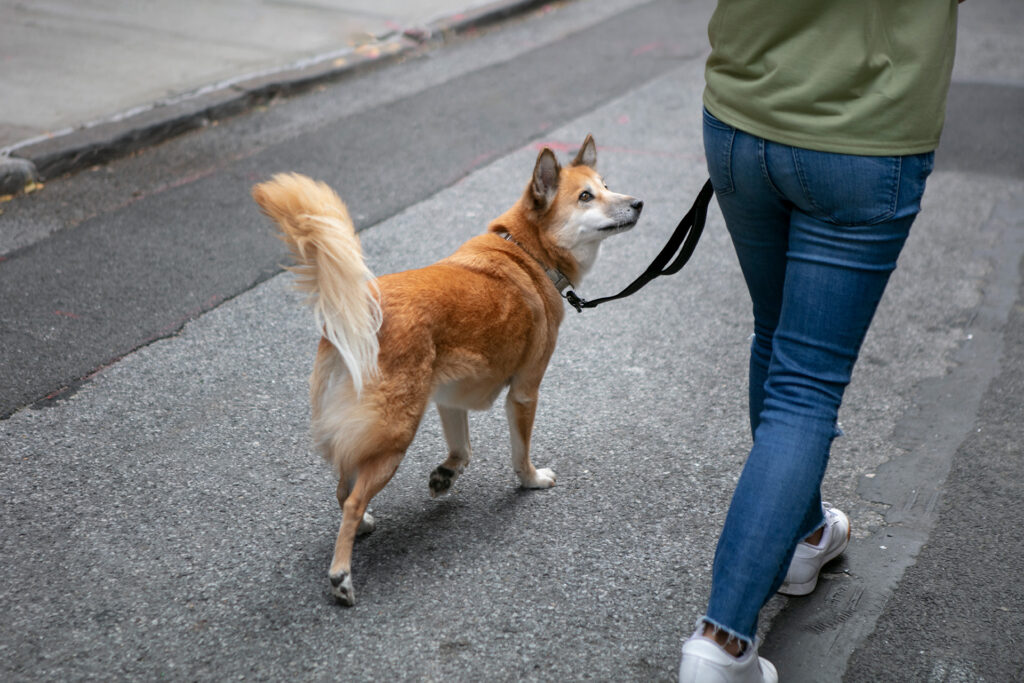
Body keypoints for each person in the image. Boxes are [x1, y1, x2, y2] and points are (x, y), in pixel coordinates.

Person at [678, 1, 962, 681]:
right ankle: (722, 642)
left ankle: (805, 537)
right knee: (805, 384)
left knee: (777, 338)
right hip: (865, 133)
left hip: (744, 118)